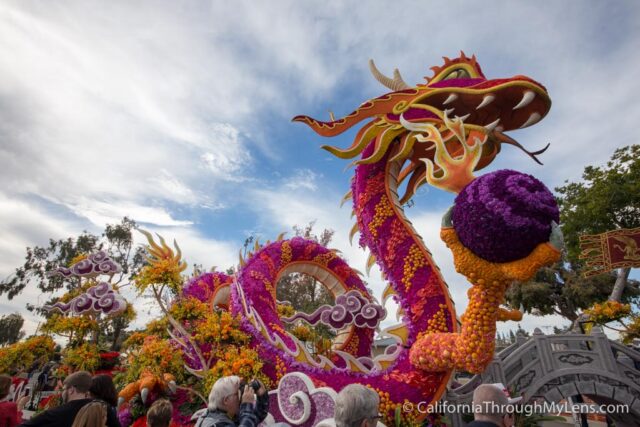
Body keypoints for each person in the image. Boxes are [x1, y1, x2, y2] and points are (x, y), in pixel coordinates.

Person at [19, 371, 93, 427]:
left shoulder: (57, 413)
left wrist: (19, 407)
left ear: (71, 390)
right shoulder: (97, 409)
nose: (62, 393)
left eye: (64, 389)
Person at [195, 376, 268, 427]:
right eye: (237, 393)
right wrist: (246, 405)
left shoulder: (222, 415)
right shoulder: (215, 424)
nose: (242, 396)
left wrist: (262, 396)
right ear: (226, 400)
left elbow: (252, 420)